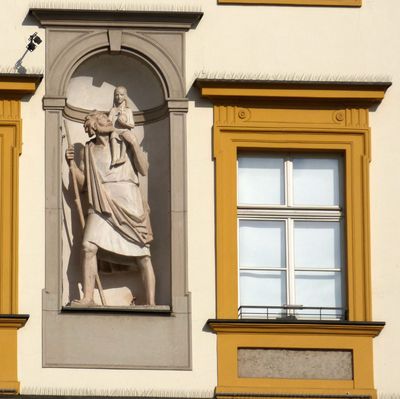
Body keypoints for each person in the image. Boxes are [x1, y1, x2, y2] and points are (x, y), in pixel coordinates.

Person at [65, 110, 156, 306]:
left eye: (107, 118)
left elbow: (143, 169)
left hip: (129, 200)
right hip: (101, 202)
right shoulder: (87, 150)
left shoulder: (124, 141)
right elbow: (84, 186)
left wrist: (134, 144)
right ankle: (88, 298)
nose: (108, 120)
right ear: (94, 126)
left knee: (143, 256)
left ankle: (151, 303)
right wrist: (72, 165)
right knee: (88, 246)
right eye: (103, 118)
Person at [108, 86, 135, 166]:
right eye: (117, 95)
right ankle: (114, 158)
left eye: (121, 95)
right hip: (115, 130)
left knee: (125, 134)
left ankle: (122, 157)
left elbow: (132, 125)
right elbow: (109, 122)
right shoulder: (113, 110)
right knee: (113, 135)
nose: (119, 97)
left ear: (125, 96)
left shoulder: (128, 110)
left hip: (124, 131)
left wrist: (123, 123)